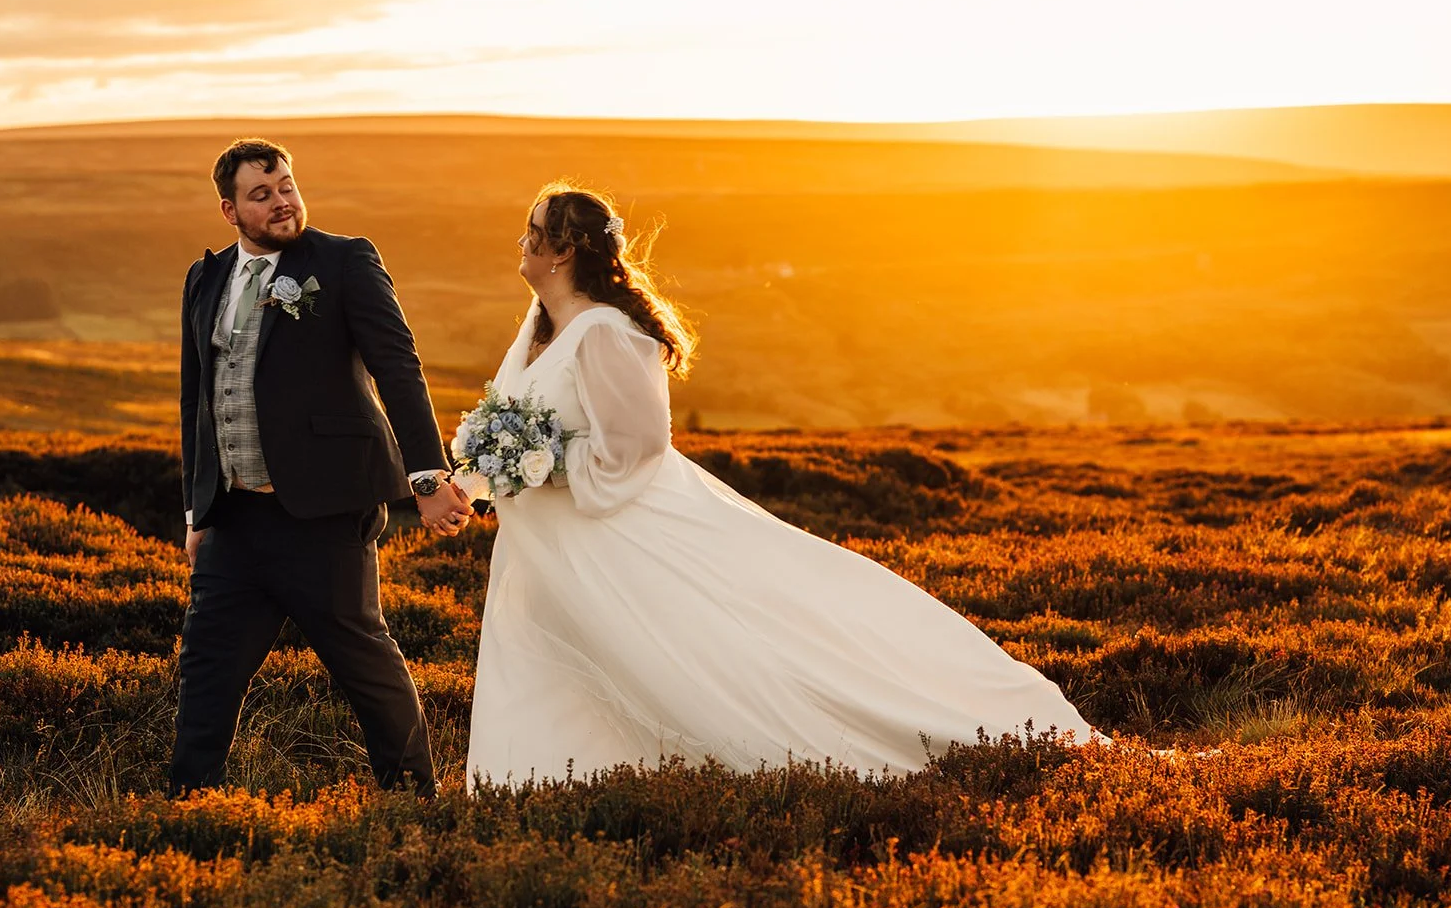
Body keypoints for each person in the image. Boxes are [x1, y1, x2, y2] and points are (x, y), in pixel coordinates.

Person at [463, 183, 1101, 787]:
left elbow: (634, 450)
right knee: (556, 660)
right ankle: (545, 785)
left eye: (531, 232)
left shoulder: (605, 331)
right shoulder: (539, 328)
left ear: (564, 250)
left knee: (690, 659)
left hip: (612, 539)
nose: (520, 243)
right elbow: (516, 420)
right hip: (544, 549)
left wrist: (542, 463)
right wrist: (487, 469)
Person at [172, 138, 474, 798]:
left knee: (363, 662)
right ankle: (189, 806)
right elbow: (197, 395)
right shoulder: (207, 277)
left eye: (286, 185)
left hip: (324, 513)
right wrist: (198, 512)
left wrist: (426, 479)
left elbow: (398, 368)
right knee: (206, 668)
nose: (282, 201)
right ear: (230, 210)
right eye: (261, 193)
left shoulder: (342, 262)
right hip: (234, 517)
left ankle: (415, 798)